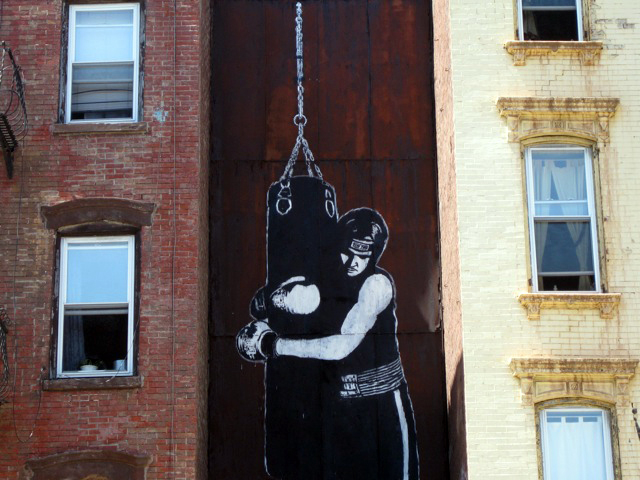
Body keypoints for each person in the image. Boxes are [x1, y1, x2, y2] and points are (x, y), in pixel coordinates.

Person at [237, 208, 419, 479]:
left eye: (363, 254)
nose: (353, 262)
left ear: (375, 253)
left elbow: (341, 346)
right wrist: (274, 303)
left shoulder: (377, 284)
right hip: (340, 408)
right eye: (348, 252)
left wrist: (274, 346)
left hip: (382, 406)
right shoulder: (327, 282)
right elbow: (299, 304)